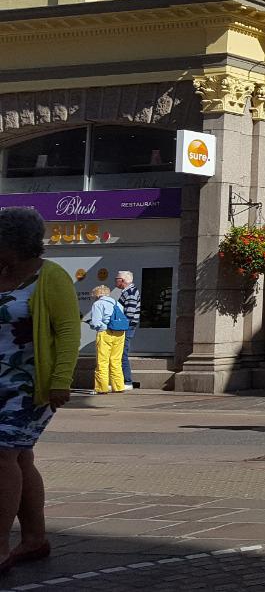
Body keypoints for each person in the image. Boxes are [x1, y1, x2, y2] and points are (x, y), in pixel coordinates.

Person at [0, 207, 77, 576]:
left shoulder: (51, 277)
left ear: (11, 245)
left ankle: (0, 547)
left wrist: (62, 380)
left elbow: (67, 331)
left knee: (2, 455)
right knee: (20, 458)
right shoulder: (1, 274)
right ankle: (35, 538)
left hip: (29, 384)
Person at [85, 286, 129, 394]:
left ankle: (101, 388)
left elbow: (96, 322)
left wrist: (91, 324)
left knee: (102, 361)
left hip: (105, 333)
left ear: (98, 295)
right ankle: (118, 386)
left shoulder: (98, 304)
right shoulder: (117, 303)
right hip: (120, 333)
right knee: (116, 361)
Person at [113, 271, 140, 389]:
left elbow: (130, 312)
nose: (115, 281)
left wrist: (122, 325)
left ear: (122, 280)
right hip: (127, 326)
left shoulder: (131, 292)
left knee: (122, 353)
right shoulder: (129, 291)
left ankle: (127, 381)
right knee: (121, 353)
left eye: (117, 279)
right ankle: (123, 381)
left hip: (127, 327)